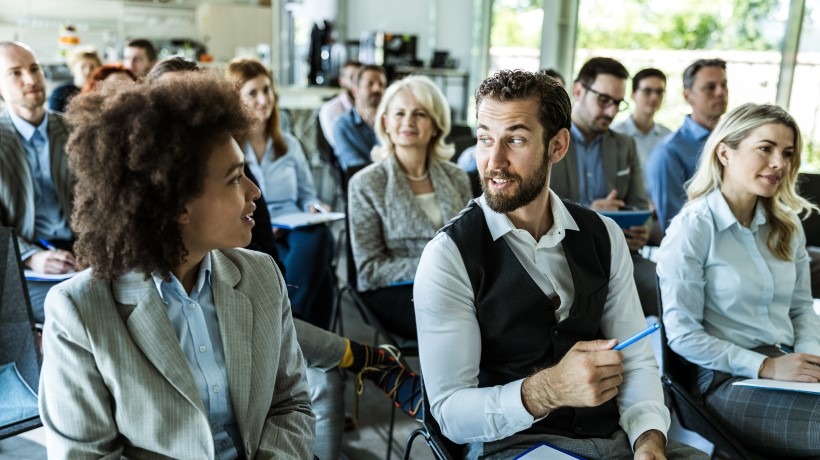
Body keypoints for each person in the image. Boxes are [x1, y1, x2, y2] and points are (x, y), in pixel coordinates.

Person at [415, 69, 705, 459]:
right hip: (513, 446)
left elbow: (636, 360)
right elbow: (449, 412)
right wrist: (547, 390)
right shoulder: (448, 255)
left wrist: (649, 440)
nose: (494, 161)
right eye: (486, 139)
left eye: (515, 139)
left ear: (557, 145)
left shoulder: (603, 235)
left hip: (615, 438)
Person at [148, 57, 423, 459]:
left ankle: (357, 357)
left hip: (262, 270)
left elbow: (287, 400)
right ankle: (361, 358)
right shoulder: (93, 305)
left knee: (311, 250)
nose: (253, 190)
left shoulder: (253, 254)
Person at [38, 71, 314, 458]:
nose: (255, 192)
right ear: (175, 203)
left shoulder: (259, 275)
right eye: (235, 179)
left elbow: (292, 404)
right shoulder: (80, 311)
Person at [657, 103, 820, 458]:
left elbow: (801, 309)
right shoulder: (694, 226)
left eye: (788, 153)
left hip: (789, 363)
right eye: (766, 148)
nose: (780, 163)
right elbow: (683, 335)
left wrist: (811, 362)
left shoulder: (786, 225)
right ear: (725, 152)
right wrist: (765, 366)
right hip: (725, 378)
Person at [349, 75, 472, 340]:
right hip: (397, 290)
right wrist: (437, 267)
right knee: (463, 321)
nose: (408, 122)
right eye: (400, 113)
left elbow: (472, 244)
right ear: (386, 123)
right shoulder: (366, 183)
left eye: (419, 114)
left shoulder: (456, 177)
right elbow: (369, 270)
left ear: (436, 124)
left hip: (458, 286)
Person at [226, 57, 335, 330]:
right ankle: (300, 330)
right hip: (256, 228)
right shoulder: (229, 149)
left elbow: (308, 195)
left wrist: (313, 207)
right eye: (253, 93)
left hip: (295, 227)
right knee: (323, 275)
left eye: (267, 90)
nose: (264, 100)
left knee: (318, 235)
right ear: (235, 98)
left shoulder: (290, 145)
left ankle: (287, 316)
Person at [549, 57, 658, 317]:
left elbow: (640, 207)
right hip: (559, 255)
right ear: (578, 91)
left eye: (618, 104)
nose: (611, 112)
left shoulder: (624, 145)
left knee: (667, 288)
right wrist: (589, 213)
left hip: (618, 256)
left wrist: (642, 230)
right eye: (604, 100)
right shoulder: (548, 141)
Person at [0, 41, 76, 324]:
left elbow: (104, 200)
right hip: (24, 263)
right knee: (67, 312)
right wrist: (31, 256)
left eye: (34, 69)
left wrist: (95, 248)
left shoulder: (76, 131)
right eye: (15, 73)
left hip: (83, 254)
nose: (30, 79)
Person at [646, 58, 728, 233]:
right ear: (688, 96)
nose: (721, 92)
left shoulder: (737, 141)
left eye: (724, 85)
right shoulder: (669, 151)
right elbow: (673, 224)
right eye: (710, 87)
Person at [612, 68, 672, 167]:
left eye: (659, 92)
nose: (654, 97)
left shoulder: (668, 137)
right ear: (633, 95)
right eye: (647, 91)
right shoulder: (616, 133)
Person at [333, 64, 386, 171]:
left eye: (381, 85)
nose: (377, 89)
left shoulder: (391, 122)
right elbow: (353, 166)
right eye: (370, 84)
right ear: (355, 91)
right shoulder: (342, 125)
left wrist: (379, 124)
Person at [319, 59, 362, 148]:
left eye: (360, 78)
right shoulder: (330, 109)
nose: (357, 83)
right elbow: (339, 144)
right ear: (341, 81)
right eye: (352, 78)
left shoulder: (371, 106)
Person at [48, 46, 100, 112]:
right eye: (83, 67)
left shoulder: (101, 92)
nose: (87, 71)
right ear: (73, 68)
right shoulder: (59, 93)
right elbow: (54, 120)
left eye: (92, 67)